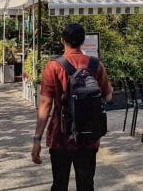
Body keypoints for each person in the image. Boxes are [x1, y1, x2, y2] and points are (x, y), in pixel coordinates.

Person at [32, 23, 113, 191]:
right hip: (89, 136)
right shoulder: (96, 65)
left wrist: (37, 139)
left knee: (60, 183)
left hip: (60, 136)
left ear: (62, 40)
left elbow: (46, 104)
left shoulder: (53, 66)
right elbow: (108, 95)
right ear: (83, 41)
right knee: (86, 185)